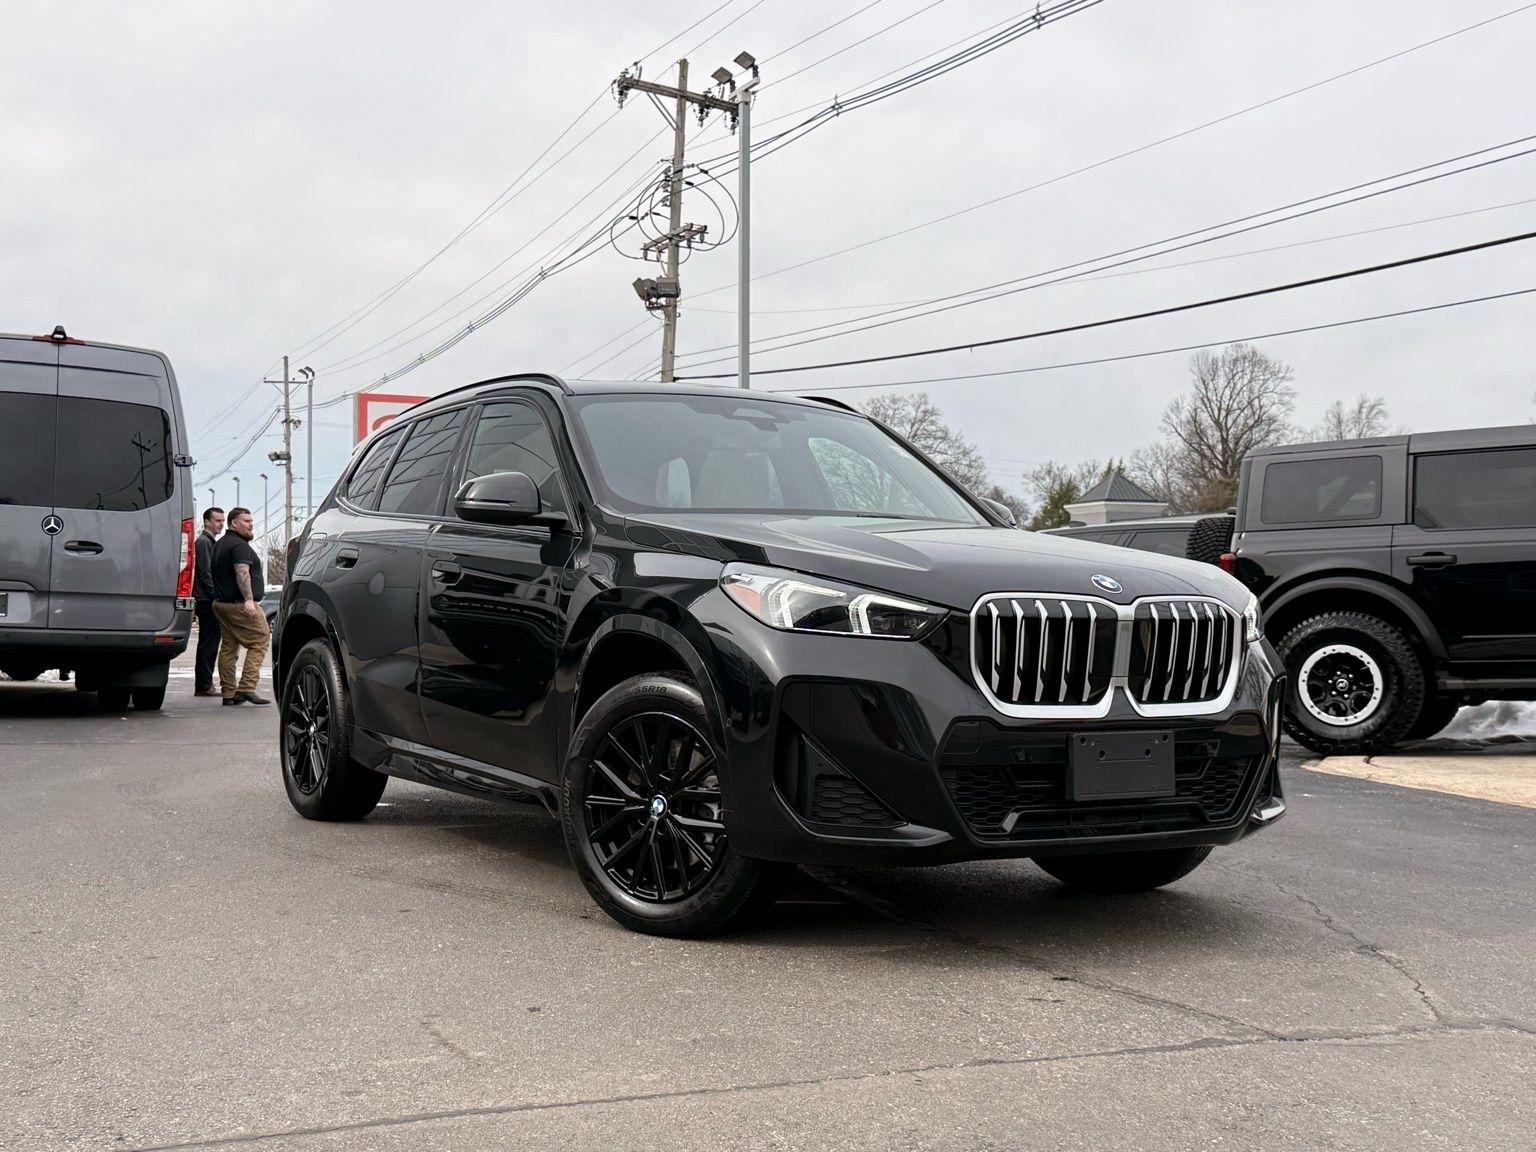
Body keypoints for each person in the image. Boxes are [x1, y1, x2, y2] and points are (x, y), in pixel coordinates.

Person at [210, 507, 271, 706]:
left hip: (221, 604)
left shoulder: (220, 544)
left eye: (251, 520)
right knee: (261, 638)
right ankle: (246, 687)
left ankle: (228, 693)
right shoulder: (240, 546)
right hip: (239, 604)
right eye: (246, 521)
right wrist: (248, 599)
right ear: (234, 523)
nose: (251, 524)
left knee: (229, 646)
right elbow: (242, 573)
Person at [193, 506, 225, 697]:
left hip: (207, 598)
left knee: (210, 643)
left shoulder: (209, 542)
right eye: (217, 520)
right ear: (207, 522)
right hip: (207, 600)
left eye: (222, 520)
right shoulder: (204, 542)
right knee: (208, 643)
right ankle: (204, 685)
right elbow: (206, 574)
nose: (221, 524)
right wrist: (218, 595)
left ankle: (205, 683)